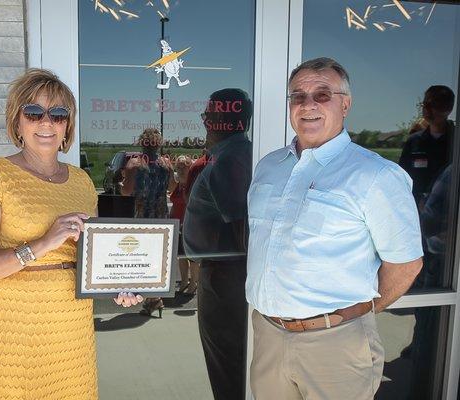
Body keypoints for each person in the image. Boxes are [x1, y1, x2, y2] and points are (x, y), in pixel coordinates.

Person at [246, 57, 423, 400]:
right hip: (268, 334)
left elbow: (406, 264)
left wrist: (353, 314)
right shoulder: (269, 166)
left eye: (322, 94)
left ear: (345, 104)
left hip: (336, 346)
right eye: (297, 96)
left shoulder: (375, 175)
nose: (308, 104)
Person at [0, 68, 141, 400]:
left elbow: (92, 260)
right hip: (18, 327)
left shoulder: (82, 182)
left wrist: (118, 284)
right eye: (33, 112)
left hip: (72, 328)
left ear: (67, 126)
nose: (46, 122)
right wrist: (42, 244)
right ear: (18, 122)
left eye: (58, 114)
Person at [183, 88, 253, 400]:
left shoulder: (230, 161)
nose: (205, 122)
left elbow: (243, 228)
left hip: (226, 280)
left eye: (208, 116)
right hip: (226, 277)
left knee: (228, 368)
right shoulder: (234, 155)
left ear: (222, 121)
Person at [121, 128, 171, 316]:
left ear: (142, 142)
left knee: (141, 257)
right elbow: (172, 187)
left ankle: (151, 298)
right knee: (158, 257)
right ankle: (155, 298)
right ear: (158, 143)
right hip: (161, 215)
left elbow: (126, 191)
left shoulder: (135, 163)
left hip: (142, 215)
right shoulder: (166, 163)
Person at [399, 85, 455, 206]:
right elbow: (402, 179)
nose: (427, 110)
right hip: (416, 213)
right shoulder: (414, 141)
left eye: (434, 104)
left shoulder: (456, 141)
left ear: (448, 108)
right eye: (425, 104)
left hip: (450, 216)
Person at [168, 155, 199, 294]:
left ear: (190, 168)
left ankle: (193, 283)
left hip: (191, 224)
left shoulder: (193, 184)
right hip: (178, 223)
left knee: (192, 257)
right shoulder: (178, 185)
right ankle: (184, 281)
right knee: (180, 255)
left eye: (183, 167)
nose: (179, 169)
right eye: (178, 167)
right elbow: (174, 203)